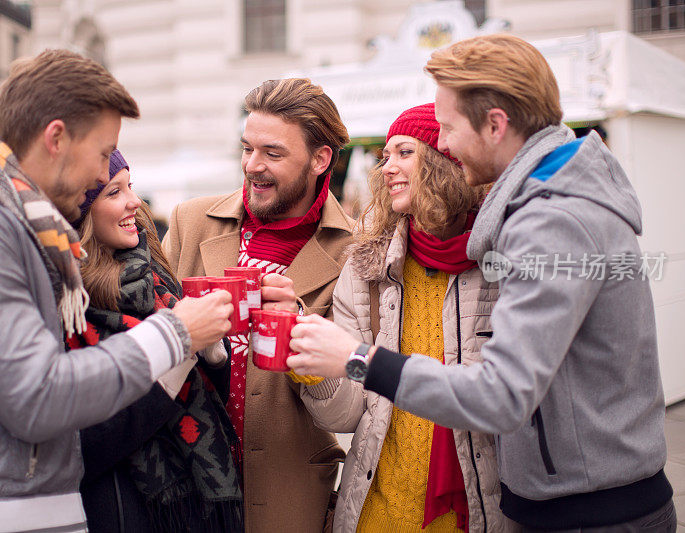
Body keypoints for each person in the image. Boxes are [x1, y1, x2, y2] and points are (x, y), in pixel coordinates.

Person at [288, 34, 675, 532]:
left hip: (590, 513)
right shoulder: (544, 205)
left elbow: (501, 394)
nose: (443, 143)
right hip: (576, 500)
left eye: (447, 128)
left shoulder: (551, 221)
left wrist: (356, 358)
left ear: (495, 125)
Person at [0, 50, 232, 532]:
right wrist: (175, 335)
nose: (104, 175)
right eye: (102, 154)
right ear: (56, 138)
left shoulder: (13, 225)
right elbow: (37, 396)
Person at [301, 103, 516, 533]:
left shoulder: (504, 261)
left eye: (404, 152)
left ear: (445, 159)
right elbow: (344, 417)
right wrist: (311, 366)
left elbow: (510, 401)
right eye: (385, 157)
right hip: (377, 511)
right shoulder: (367, 269)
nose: (387, 168)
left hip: (475, 513)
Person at [161, 78, 355, 532]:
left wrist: (300, 331)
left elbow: (344, 410)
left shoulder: (357, 251)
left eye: (273, 153)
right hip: (182, 485)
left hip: (286, 499)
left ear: (320, 158)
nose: (252, 165)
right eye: (246, 148)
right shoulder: (191, 222)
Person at [68, 150, 243, 532]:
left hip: (195, 507)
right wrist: (180, 350)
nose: (134, 201)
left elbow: (211, 395)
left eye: (130, 186)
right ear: (81, 213)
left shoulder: (154, 273)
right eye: (114, 192)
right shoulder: (68, 301)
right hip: (123, 507)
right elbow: (90, 443)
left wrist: (213, 351)